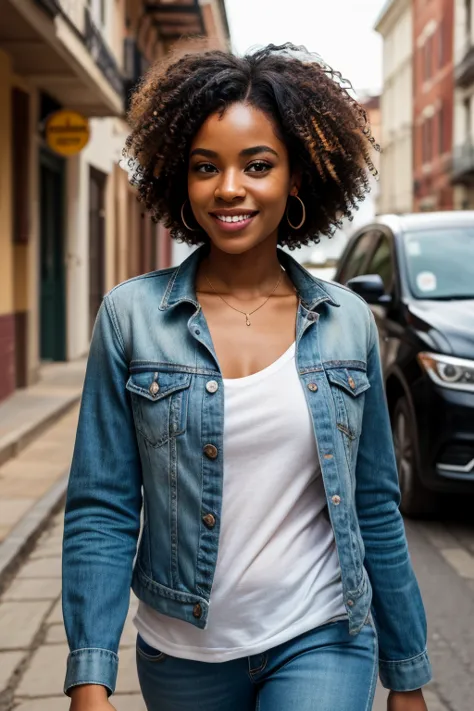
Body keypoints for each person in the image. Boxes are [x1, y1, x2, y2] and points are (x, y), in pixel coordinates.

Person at [62, 44, 432, 711]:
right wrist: (90, 673)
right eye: (207, 167)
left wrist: (406, 670)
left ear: (296, 179)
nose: (229, 188)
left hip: (321, 631)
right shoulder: (130, 317)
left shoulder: (346, 320)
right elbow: (104, 505)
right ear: (182, 178)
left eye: (257, 165)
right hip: (183, 652)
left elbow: (376, 503)